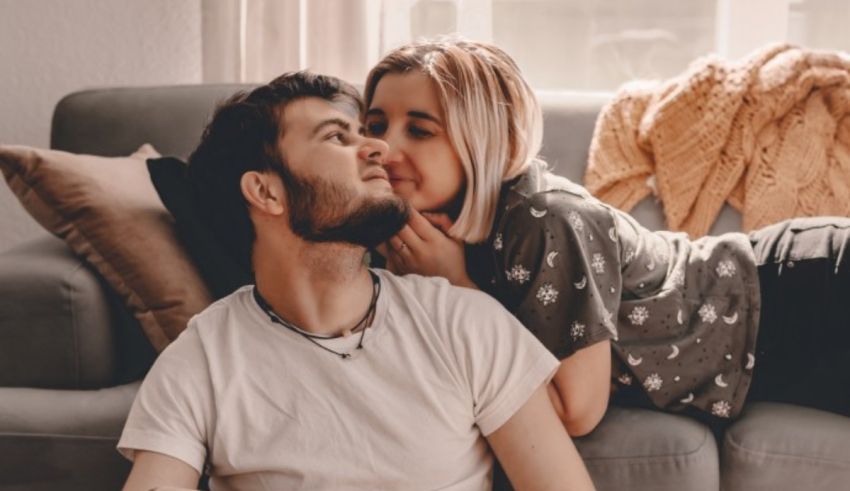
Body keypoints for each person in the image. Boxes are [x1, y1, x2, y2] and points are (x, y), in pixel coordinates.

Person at [117, 71, 596, 491]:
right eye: (336, 138)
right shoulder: (202, 358)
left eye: (363, 133)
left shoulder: (465, 323)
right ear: (265, 190)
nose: (378, 148)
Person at [364, 39, 850, 436]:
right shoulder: (402, 233)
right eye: (376, 125)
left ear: (484, 140)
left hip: (802, 298)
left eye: (421, 130)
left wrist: (458, 285)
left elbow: (576, 411)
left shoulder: (545, 220)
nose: (385, 147)